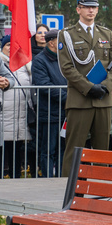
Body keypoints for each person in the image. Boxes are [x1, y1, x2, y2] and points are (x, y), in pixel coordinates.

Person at [57, 0, 112, 175]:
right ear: (78, 9)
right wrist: (88, 87)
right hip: (80, 100)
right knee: (74, 149)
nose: (91, 11)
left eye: (94, 7)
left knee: (101, 151)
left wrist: (106, 86)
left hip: (103, 98)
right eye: (86, 7)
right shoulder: (67, 34)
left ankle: (99, 188)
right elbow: (66, 68)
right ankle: (68, 189)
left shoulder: (106, 33)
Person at [31, 29, 66, 177]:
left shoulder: (65, 59)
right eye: (61, 40)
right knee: (48, 150)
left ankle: (60, 177)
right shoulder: (39, 60)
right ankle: (47, 178)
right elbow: (45, 86)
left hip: (65, 112)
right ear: (52, 42)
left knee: (62, 149)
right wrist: (69, 98)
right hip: (50, 113)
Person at [1, 36, 33, 178]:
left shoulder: (25, 66)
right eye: (7, 45)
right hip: (4, 114)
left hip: (21, 114)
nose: (10, 48)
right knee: (3, 148)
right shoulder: (0, 63)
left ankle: (16, 176)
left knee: (17, 149)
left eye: (13, 46)